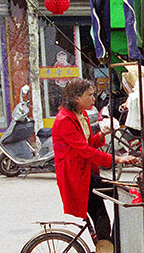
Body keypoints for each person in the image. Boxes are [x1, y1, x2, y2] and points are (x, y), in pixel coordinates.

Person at [52, 78, 138, 242]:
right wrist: (118, 159)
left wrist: (103, 133)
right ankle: (107, 250)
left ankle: (107, 247)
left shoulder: (81, 114)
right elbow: (85, 150)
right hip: (77, 177)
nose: (93, 98)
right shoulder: (64, 120)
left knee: (107, 208)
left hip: (87, 172)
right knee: (119, 198)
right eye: (89, 95)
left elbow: (88, 142)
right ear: (77, 98)